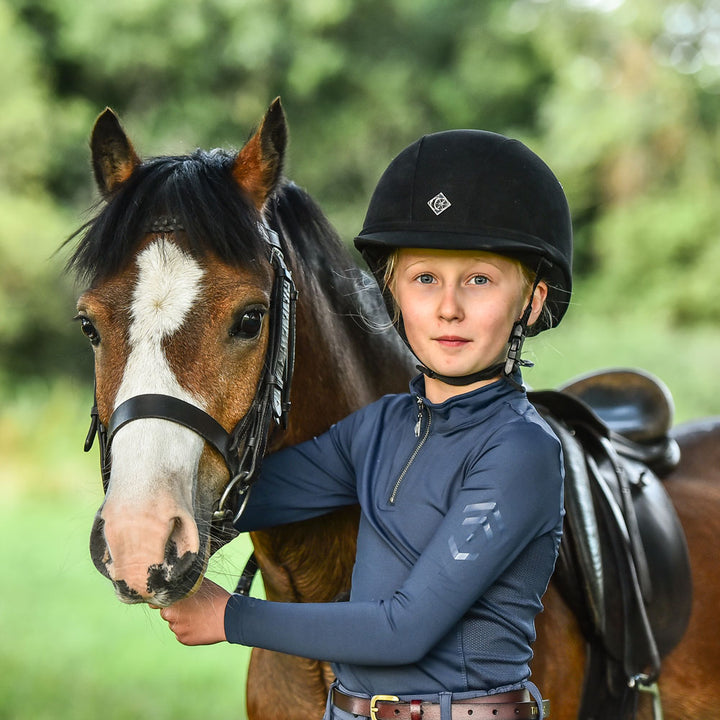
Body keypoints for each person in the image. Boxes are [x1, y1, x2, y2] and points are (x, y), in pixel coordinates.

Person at [157, 129, 573, 720]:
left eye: (478, 280)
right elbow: (238, 496)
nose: (448, 306)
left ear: (531, 301)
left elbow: (404, 629)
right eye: (425, 279)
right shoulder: (378, 429)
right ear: (393, 295)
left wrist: (230, 616)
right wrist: (151, 498)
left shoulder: (520, 451)